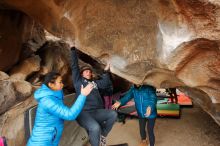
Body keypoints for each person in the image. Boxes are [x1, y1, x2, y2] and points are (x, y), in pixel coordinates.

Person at [27, 71, 93, 146]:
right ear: (51, 85)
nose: (63, 84)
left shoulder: (54, 96)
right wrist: (83, 95)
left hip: (50, 141)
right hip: (42, 142)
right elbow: (70, 115)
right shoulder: (47, 101)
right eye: (60, 82)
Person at [70, 47, 117, 146]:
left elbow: (105, 83)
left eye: (89, 71)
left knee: (113, 114)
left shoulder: (94, 83)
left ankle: (102, 136)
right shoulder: (79, 82)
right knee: (95, 128)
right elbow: (74, 66)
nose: (88, 72)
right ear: (81, 74)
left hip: (96, 111)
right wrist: (73, 49)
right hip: (83, 112)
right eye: (86, 71)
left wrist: (105, 72)